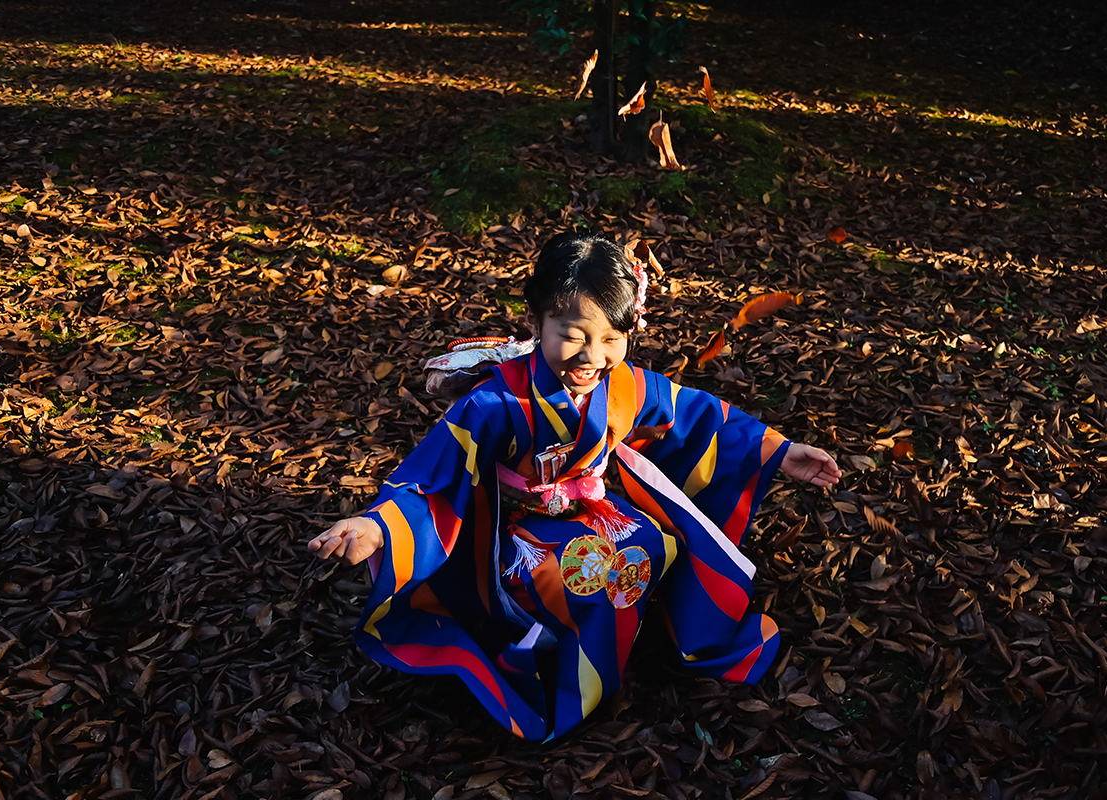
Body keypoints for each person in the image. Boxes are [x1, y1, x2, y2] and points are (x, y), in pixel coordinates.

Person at [308, 232, 840, 740]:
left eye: (611, 338)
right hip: (512, 531)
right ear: (536, 321)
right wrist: (377, 526)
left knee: (656, 542)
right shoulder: (494, 404)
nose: (592, 357)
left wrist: (778, 450)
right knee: (585, 575)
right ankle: (566, 682)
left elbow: (695, 414)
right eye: (573, 335)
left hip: (592, 509)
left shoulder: (621, 384)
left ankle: (623, 646)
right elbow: (434, 477)